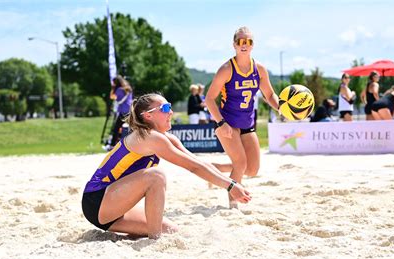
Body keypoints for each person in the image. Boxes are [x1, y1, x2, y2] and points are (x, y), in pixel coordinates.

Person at [82, 93, 251, 239]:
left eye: (169, 107)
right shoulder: (149, 137)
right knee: (156, 176)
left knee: (173, 231)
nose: (170, 112)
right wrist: (230, 186)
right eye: (164, 108)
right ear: (147, 116)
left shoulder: (166, 138)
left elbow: (198, 163)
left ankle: (146, 237)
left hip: (114, 206)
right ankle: (155, 242)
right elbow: (192, 168)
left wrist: (232, 184)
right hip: (98, 201)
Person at [205, 26, 280, 208]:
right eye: (240, 41)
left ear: (253, 45)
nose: (244, 45)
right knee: (240, 163)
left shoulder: (260, 69)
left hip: (247, 123)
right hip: (227, 123)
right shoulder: (226, 69)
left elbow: (269, 95)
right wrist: (221, 123)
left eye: (248, 41)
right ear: (234, 45)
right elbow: (209, 99)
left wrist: (282, 109)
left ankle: (216, 169)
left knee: (252, 169)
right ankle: (233, 205)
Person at [104, 75, 133, 151]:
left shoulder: (119, 90)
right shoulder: (128, 89)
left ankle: (112, 145)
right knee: (132, 127)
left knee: (116, 128)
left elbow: (112, 97)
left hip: (123, 111)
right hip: (130, 110)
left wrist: (113, 88)